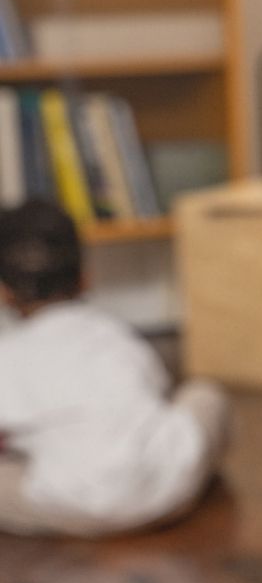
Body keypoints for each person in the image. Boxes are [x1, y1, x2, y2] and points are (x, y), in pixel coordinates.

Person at [0, 199, 229, 538]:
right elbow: (156, 393)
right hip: (167, 494)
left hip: (73, 507)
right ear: (86, 278)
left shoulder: (9, 354)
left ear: (4, 292)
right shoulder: (117, 336)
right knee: (206, 396)